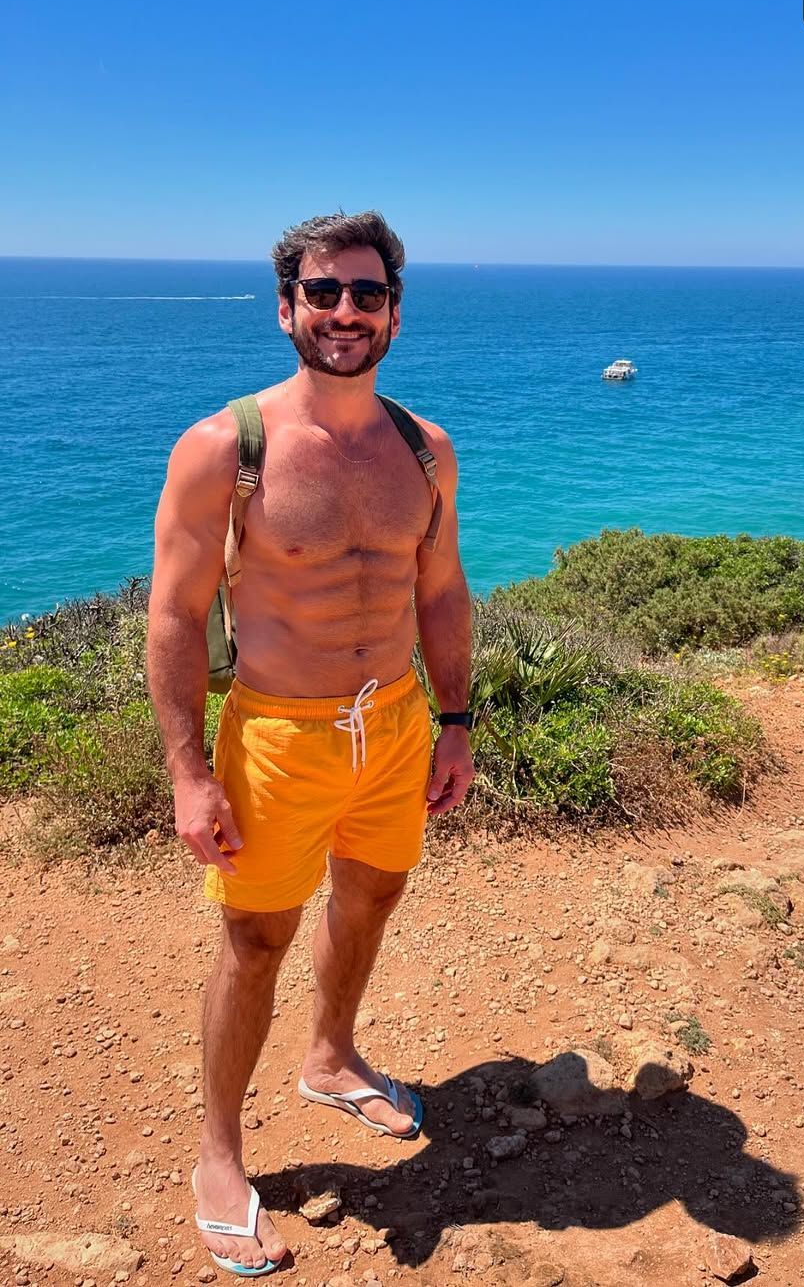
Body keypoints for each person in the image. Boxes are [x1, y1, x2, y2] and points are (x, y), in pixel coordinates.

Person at [146, 212, 474, 1276]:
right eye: (323, 292)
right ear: (286, 308)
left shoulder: (425, 450)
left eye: (367, 294)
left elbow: (441, 591)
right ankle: (219, 1156)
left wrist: (455, 723)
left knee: (372, 897)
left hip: (396, 725)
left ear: (395, 314)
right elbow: (174, 615)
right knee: (255, 942)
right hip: (278, 736)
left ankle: (331, 1058)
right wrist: (189, 772)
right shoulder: (224, 449)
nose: (345, 312)